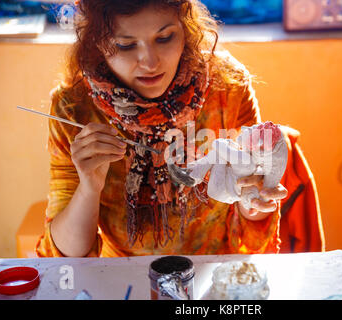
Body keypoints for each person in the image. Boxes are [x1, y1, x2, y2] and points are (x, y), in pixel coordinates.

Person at [36, 0, 288, 258]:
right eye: (125, 44)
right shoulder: (73, 107)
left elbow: (249, 218)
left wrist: (253, 200)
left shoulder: (227, 86)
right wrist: (89, 187)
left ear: (186, 28)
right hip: (123, 279)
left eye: (165, 37)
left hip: (214, 272)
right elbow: (66, 256)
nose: (150, 62)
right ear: (96, 43)